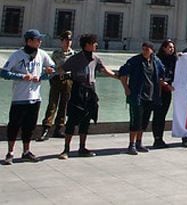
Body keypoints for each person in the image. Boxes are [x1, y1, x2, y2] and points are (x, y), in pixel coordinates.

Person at [57, 34, 118, 160]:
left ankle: (82, 147)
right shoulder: (76, 58)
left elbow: (104, 70)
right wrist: (61, 76)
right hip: (78, 89)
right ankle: (66, 149)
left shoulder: (96, 58)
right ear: (87, 45)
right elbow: (62, 69)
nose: (96, 45)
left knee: (86, 119)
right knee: (72, 120)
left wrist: (117, 76)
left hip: (90, 90)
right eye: (94, 43)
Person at [1, 29, 55, 164]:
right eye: (37, 39)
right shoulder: (17, 55)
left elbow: (52, 69)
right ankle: (10, 152)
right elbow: (3, 73)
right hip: (19, 98)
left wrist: (44, 75)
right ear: (29, 41)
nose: (40, 42)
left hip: (35, 97)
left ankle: (26, 151)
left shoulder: (42, 54)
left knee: (29, 126)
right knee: (14, 125)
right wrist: (21, 76)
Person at [119, 42, 165, 155]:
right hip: (137, 96)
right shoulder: (135, 61)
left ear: (152, 51)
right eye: (143, 49)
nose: (144, 51)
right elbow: (123, 73)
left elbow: (161, 74)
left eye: (147, 49)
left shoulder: (156, 61)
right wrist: (126, 88)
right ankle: (132, 144)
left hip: (150, 96)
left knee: (144, 121)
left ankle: (139, 142)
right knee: (136, 121)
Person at [38, 30, 76, 141]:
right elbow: (51, 68)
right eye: (66, 40)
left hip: (68, 81)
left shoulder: (74, 55)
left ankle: (59, 128)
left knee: (64, 105)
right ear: (61, 41)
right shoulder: (56, 54)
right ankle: (46, 128)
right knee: (52, 104)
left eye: (69, 40)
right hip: (56, 80)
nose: (68, 42)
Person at [152, 39, 177, 148]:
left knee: (162, 115)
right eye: (169, 47)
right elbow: (155, 76)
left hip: (167, 91)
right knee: (158, 115)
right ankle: (157, 139)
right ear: (163, 48)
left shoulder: (174, 60)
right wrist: (165, 84)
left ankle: (160, 138)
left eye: (172, 47)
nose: (171, 49)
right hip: (158, 91)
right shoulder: (157, 60)